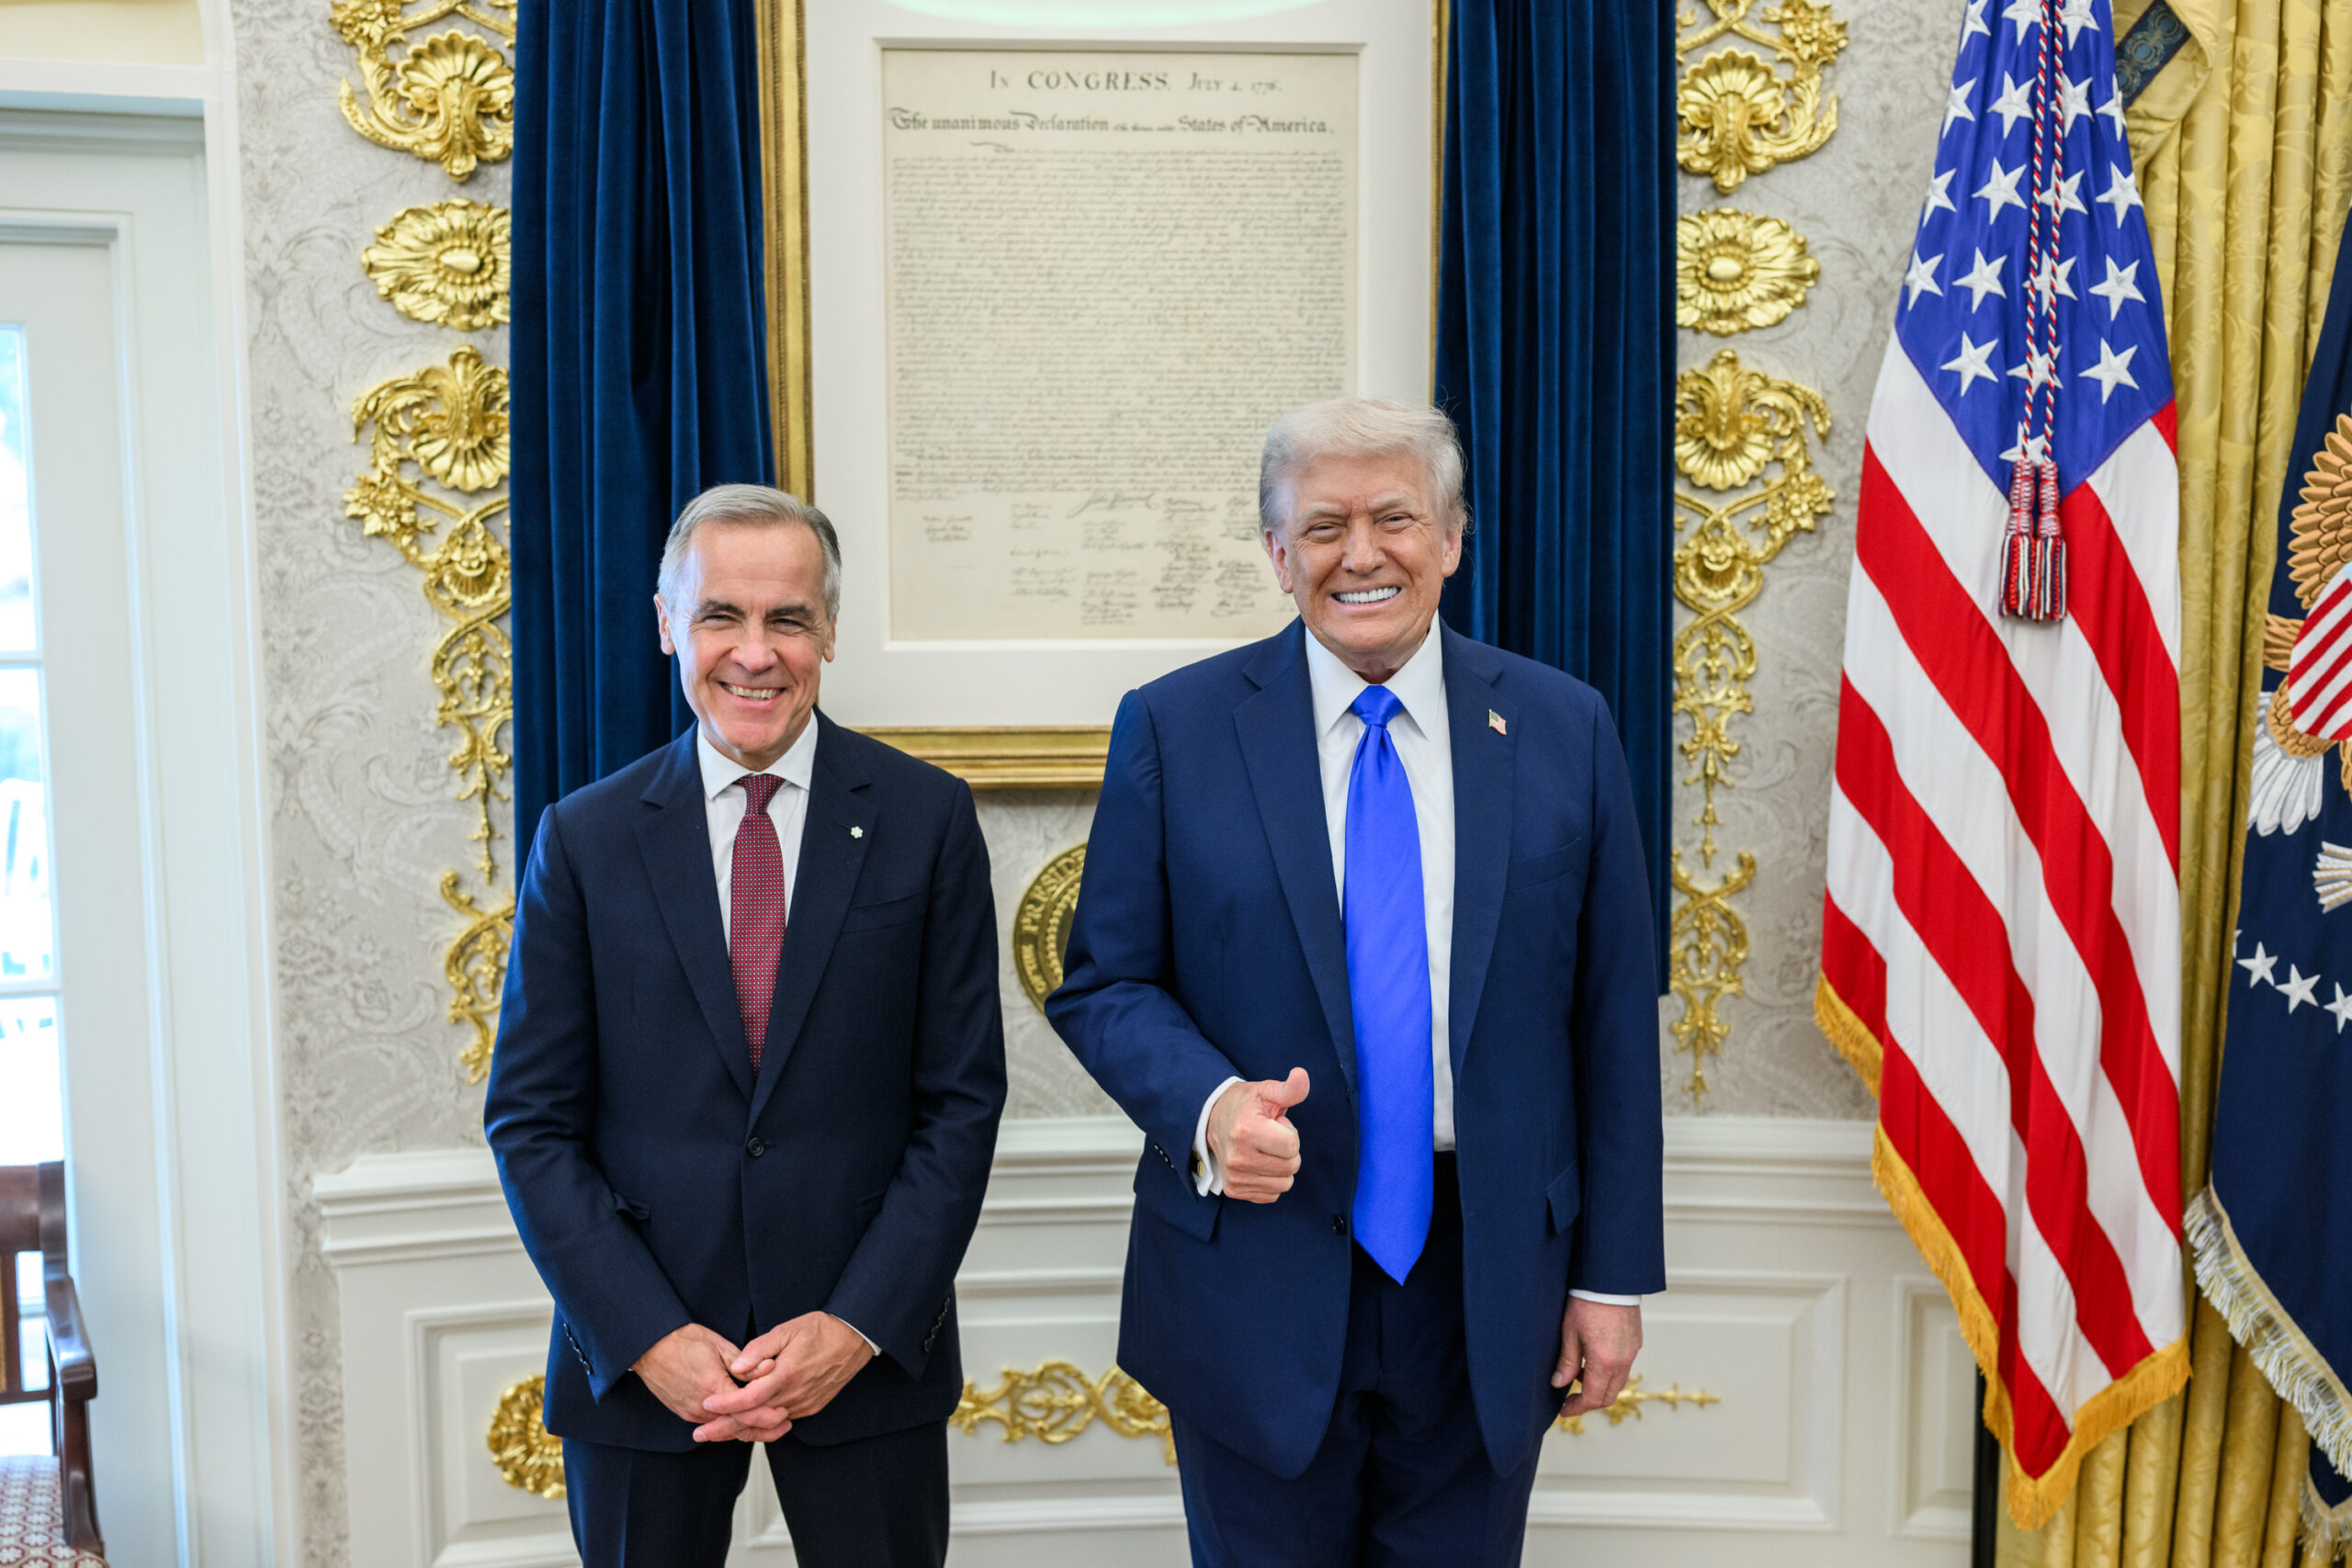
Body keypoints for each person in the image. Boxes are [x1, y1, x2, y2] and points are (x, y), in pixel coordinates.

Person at [1046, 399, 1666, 1566]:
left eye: (1395, 518)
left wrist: (1612, 1280)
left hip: (1489, 1282)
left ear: (1453, 538)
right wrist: (1211, 1106)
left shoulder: (1563, 727)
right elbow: (1105, 985)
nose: (1361, 554)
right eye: (1324, 527)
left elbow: (1612, 1024)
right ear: (1279, 555)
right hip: (1251, 1273)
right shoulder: (1175, 728)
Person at [485, 483, 1007, 1568]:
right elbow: (530, 1123)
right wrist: (646, 1335)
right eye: (721, 615)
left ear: (829, 630)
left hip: (865, 1359)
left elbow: (959, 1106)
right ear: (668, 624)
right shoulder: (582, 840)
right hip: (643, 1362)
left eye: (789, 619)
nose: (755, 653)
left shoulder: (927, 820)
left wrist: (854, 1327)